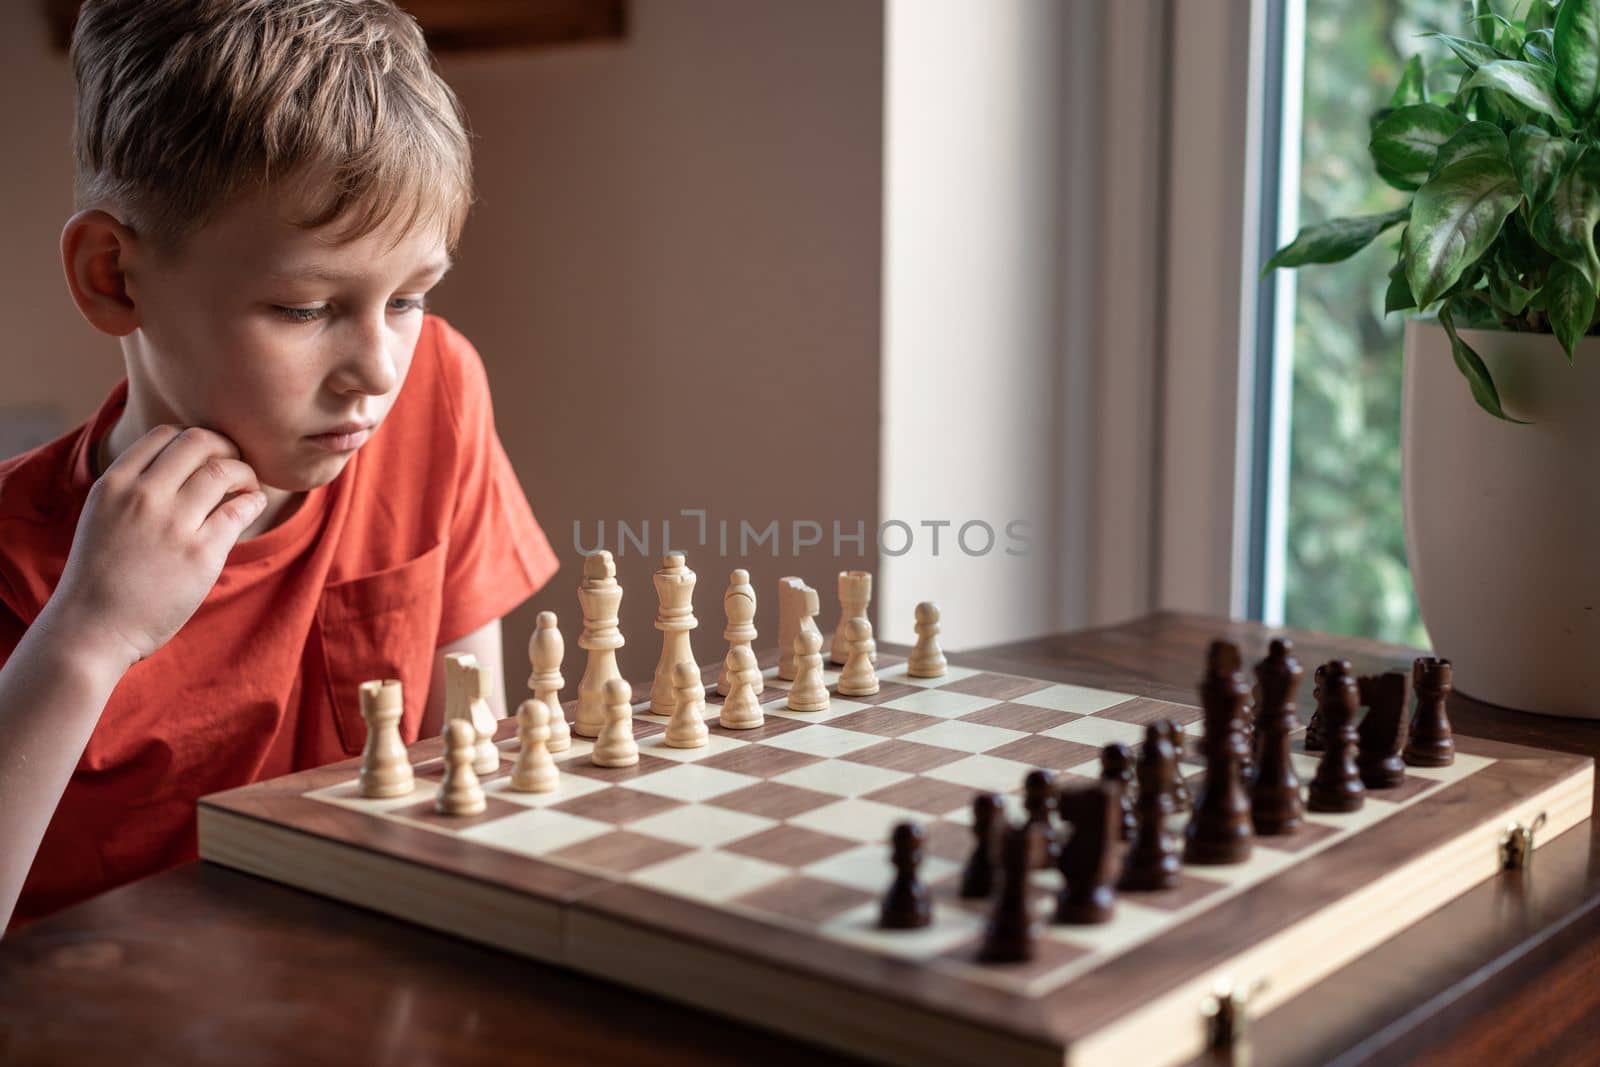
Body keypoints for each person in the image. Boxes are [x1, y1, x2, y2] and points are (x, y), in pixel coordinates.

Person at [0, 0, 559, 930]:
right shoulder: (16, 560)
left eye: (411, 297)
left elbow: (471, 785)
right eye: (305, 309)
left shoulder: (434, 393)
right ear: (114, 275)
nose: (377, 371)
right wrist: (87, 637)